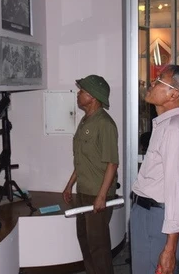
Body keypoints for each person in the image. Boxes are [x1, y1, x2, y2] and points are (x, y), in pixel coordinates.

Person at [130, 65, 179, 274]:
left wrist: (170, 248)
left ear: (174, 94)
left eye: (158, 81)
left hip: (158, 222)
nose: (151, 84)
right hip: (160, 218)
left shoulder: (175, 130)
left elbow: (177, 190)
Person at [62, 74, 119, 274]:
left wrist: (102, 196)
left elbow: (112, 163)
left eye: (82, 91)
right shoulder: (85, 121)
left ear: (93, 97)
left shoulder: (105, 124)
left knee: (98, 245)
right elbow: (83, 160)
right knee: (85, 240)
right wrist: (70, 185)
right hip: (84, 191)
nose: (78, 94)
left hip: (97, 192)